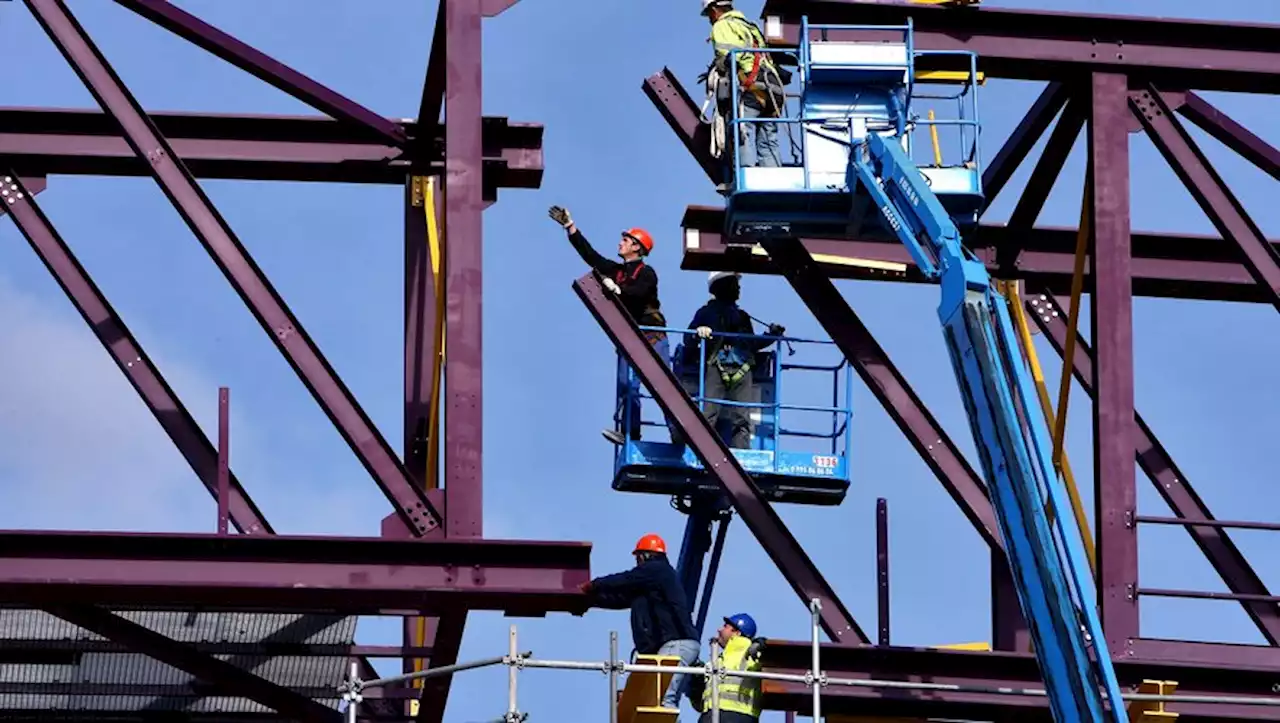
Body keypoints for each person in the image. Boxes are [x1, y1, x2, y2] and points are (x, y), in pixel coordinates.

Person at [548, 205, 672, 446]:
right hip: (630, 337)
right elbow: (590, 255)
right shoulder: (617, 271)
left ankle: (679, 434)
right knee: (628, 386)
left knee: (665, 388)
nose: (620, 243)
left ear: (637, 246)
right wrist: (570, 228)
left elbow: (638, 294)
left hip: (652, 335)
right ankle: (630, 434)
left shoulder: (647, 273)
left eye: (625, 240)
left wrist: (618, 291)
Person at [579, 534, 700, 711]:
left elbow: (626, 579)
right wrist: (590, 601)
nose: (637, 562)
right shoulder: (651, 585)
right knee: (647, 700)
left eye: (638, 557)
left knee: (663, 698)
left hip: (677, 643)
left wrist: (593, 585)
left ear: (645, 555)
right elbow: (621, 598)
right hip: (670, 645)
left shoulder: (657, 570)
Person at [674, 272, 784, 450]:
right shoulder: (706, 313)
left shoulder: (742, 316)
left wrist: (771, 335)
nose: (739, 288)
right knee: (709, 413)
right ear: (721, 287)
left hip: (742, 367)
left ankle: (741, 454)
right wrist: (698, 332)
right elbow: (688, 339)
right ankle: (701, 450)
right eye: (734, 284)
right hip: (716, 366)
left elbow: (751, 343)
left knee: (741, 417)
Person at [700, 0, 788, 189]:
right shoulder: (749, 26)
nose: (710, 19)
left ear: (715, 10)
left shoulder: (722, 25)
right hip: (772, 87)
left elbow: (728, 57)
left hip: (751, 85)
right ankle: (774, 181)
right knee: (768, 136)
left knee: (743, 131)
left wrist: (717, 69)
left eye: (709, 14)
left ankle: (745, 179)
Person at [688, 613, 765, 723]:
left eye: (725, 626)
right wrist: (697, 685)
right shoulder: (716, 661)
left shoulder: (753, 654)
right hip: (710, 716)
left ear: (737, 633)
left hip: (738, 717)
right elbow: (699, 706)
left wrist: (762, 643)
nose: (719, 630)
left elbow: (779, 660)